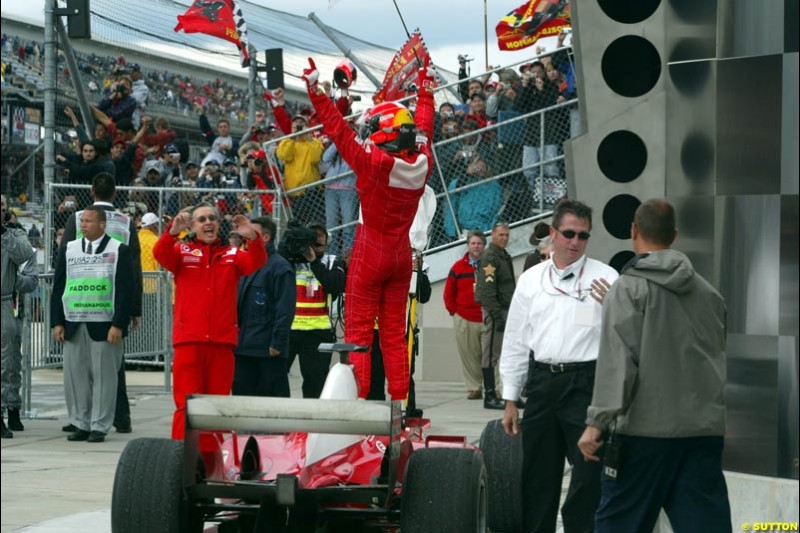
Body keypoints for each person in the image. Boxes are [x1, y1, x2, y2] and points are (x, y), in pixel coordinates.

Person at [578, 199, 731, 533]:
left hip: (644, 435)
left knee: (619, 523)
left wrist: (597, 423)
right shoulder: (710, 295)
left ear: (633, 232)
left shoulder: (629, 288)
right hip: (702, 431)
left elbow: (620, 361)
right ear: (674, 235)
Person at [300, 57, 435, 401]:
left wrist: (316, 92)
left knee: (360, 335)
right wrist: (426, 92)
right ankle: (401, 403)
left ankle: (360, 408)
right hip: (401, 254)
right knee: (394, 335)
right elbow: (424, 128)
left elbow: (337, 130)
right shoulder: (422, 161)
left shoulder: (372, 163)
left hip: (370, 251)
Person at [500, 199, 618, 533]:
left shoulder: (606, 278)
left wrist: (613, 308)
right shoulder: (531, 280)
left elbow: (624, 340)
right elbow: (516, 340)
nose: (575, 242)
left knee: (588, 475)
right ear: (553, 233)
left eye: (583, 236)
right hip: (541, 383)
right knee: (538, 476)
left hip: (586, 384)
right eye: (569, 233)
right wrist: (510, 397)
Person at [153, 203, 266, 444]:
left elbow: (255, 263)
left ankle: (214, 461)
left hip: (221, 342)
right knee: (187, 404)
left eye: (212, 218)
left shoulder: (232, 254)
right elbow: (160, 255)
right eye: (202, 219)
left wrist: (252, 238)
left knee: (216, 406)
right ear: (193, 226)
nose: (208, 223)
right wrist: (172, 232)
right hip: (189, 341)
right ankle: (181, 459)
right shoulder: (182, 251)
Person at [60, 173, 142, 434]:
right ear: (115, 193)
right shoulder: (127, 222)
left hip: (88, 310)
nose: (85, 224)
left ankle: (88, 420)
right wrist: (134, 309)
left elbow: (63, 265)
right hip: (105, 309)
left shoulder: (74, 220)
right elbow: (135, 271)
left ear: (91, 190)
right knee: (111, 370)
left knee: (86, 372)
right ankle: (118, 417)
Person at [233, 217, 295, 398]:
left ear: (265, 237)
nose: (245, 234)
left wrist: (277, 342)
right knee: (243, 403)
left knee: (273, 406)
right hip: (243, 348)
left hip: (267, 351)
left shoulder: (279, 267)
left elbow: (285, 308)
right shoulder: (246, 261)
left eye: (251, 231)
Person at [285, 224, 346, 399]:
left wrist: (314, 262)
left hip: (318, 331)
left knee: (315, 383)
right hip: (288, 329)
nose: (314, 248)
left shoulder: (333, 261)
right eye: (311, 243)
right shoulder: (290, 257)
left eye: (320, 245)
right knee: (275, 378)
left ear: (327, 244)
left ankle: (312, 423)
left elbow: (335, 285)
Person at [1, 195, 35, 439]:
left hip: (6, 304)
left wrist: (3, 233)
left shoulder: (13, 235)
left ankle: (11, 408)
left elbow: (25, 255)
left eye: (1, 206)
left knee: (9, 361)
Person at [475, 222, 515, 410]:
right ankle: (489, 395)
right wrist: (496, 315)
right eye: (501, 235)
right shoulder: (490, 256)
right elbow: (487, 289)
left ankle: (507, 394)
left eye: (506, 235)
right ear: (492, 235)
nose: (504, 238)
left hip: (505, 309)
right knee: (490, 353)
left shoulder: (503, 255)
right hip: (496, 311)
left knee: (503, 353)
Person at [443, 230, 486, 400]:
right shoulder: (458, 268)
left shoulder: (491, 266)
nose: (476, 246)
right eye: (473, 243)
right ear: (468, 245)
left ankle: (497, 388)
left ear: (484, 245)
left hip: (487, 318)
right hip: (464, 318)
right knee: (469, 356)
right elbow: (448, 293)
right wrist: (454, 312)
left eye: (479, 243)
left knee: (492, 356)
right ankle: (474, 387)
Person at [275, 114, 325, 226]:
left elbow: (315, 158)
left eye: (301, 123)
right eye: (295, 124)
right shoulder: (286, 142)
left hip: (313, 191)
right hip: (296, 193)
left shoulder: (314, 141)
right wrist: (293, 137)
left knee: (317, 223)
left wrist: (307, 136)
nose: (298, 125)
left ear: (306, 126)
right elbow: (284, 155)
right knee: (300, 224)